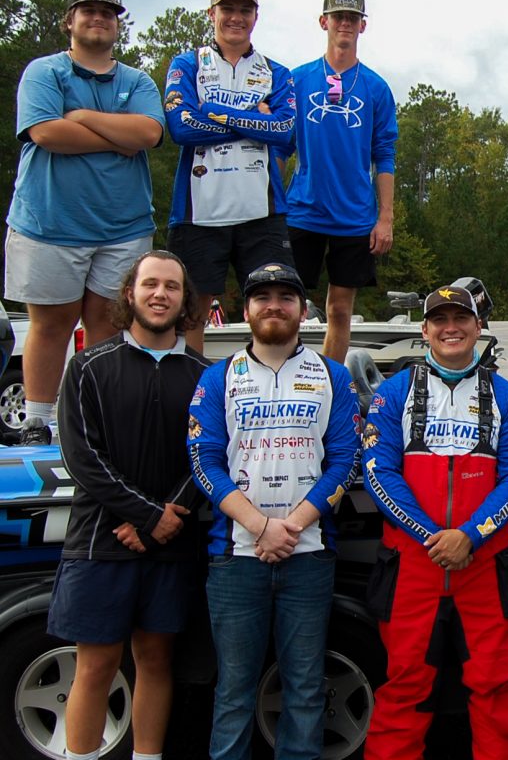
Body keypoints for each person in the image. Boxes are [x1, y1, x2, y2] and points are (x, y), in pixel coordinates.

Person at [188, 263, 360, 760]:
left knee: (305, 688)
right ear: (245, 310)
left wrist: (293, 526)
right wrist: (261, 526)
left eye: (287, 296)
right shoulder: (217, 379)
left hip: (309, 554)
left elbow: (345, 460)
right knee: (234, 691)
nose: (274, 305)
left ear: (303, 311)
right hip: (234, 556)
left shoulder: (332, 376)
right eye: (262, 296)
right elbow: (204, 461)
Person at [360, 284, 508, 759]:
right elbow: (380, 473)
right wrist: (433, 537)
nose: (451, 327)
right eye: (440, 320)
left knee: (495, 687)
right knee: (403, 688)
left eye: (462, 318)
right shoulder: (392, 393)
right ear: (425, 330)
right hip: (413, 564)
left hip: (485, 562)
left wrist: (470, 536)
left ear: (479, 327)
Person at [47, 250, 209, 760]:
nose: (160, 294)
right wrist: (146, 515)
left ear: (185, 301)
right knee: (95, 666)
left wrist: (166, 518)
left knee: (156, 660)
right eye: (150, 284)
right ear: (129, 293)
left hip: (172, 544)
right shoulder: (87, 368)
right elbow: (83, 459)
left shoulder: (206, 375)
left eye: (172, 287)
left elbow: (207, 456)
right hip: (99, 544)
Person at [4, 0, 165, 445]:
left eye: (108, 13)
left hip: (123, 226)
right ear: (69, 21)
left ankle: (91, 419)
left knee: (107, 324)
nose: (99, 18)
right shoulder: (44, 71)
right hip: (49, 222)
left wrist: (77, 117)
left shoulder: (136, 80)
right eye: (88, 11)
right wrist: (118, 137)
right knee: (51, 324)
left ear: (118, 24)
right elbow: (46, 134)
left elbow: (150, 133)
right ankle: (38, 421)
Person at [164, 0, 295, 353]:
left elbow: (285, 129)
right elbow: (181, 126)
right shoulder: (188, 63)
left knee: (273, 308)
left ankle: (274, 394)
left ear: (256, 16)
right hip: (199, 212)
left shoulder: (277, 72)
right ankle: (190, 399)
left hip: (262, 212)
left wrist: (217, 113)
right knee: (191, 314)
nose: (236, 17)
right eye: (228, 9)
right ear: (212, 14)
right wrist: (255, 120)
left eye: (244, 10)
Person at [286, 0, 398, 363]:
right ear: (324, 22)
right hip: (303, 209)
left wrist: (385, 218)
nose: (345, 24)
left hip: (355, 216)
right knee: (285, 305)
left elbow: (384, 155)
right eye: (338, 17)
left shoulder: (376, 88)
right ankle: (283, 379)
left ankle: (328, 383)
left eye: (352, 18)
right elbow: (276, 143)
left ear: (362, 26)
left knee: (339, 309)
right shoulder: (296, 81)